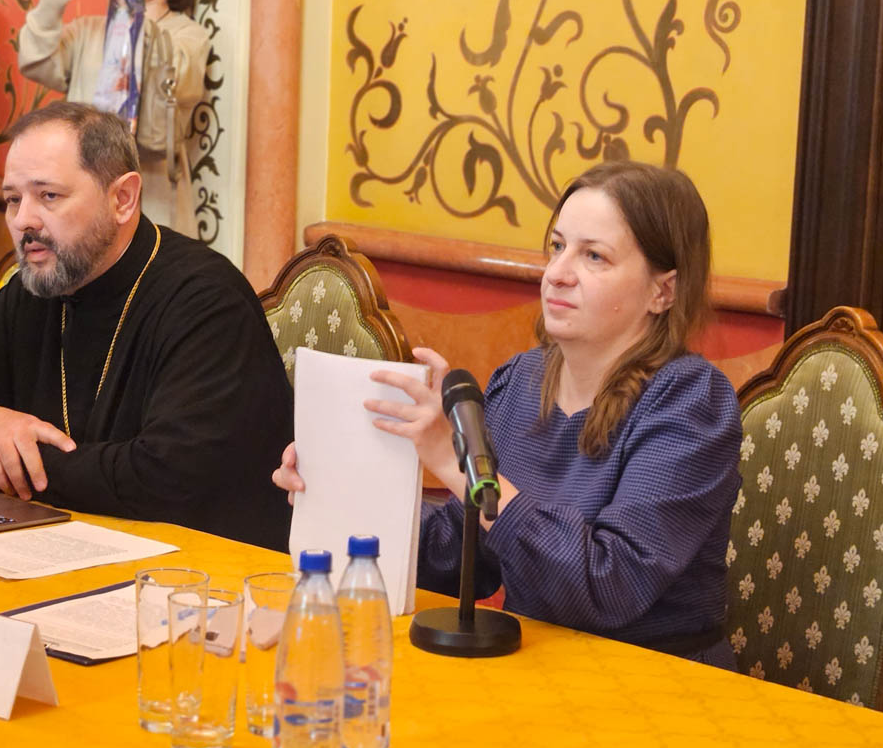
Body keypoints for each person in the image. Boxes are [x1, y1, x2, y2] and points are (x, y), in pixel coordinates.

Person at [274, 162, 742, 668]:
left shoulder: (691, 402)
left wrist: (456, 463)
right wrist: (339, 490)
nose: (558, 273)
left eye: (594, 256)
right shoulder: (520, 382)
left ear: (662, 292)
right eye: (558, 246)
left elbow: (609, 588)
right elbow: (458, 558)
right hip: (537, 667)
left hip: (654, 679)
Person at [0, 101, 293, 550]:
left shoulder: (205, 299)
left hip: (194, 566)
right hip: (67, 542)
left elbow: (171, 476)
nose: (23, 220)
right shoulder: (39, 289)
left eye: (48, 196)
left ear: (122, 199)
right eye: (13, 199)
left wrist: (10, 471)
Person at [18, 0, 208, 237]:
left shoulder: (188, 36)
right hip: (85, 189)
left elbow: (173, 77)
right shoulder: (89, 30)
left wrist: (127, 2)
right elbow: (35, 62)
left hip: (153, 194)